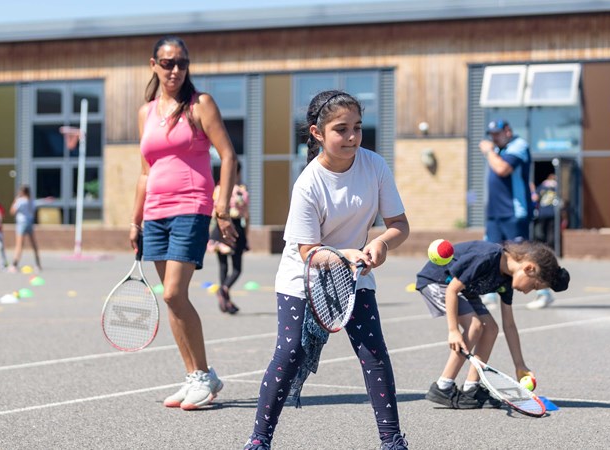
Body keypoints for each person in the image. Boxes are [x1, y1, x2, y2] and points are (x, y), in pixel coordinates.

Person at [243, 90, 410, 450]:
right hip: (303, 276)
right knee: (290, 353)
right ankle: (259, 439)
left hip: (353, 273)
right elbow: (307, 251)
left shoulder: (375, 166)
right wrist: (346, 253)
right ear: (318, 133)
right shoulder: (308, 183)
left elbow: (399, 224)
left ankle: (392, 440)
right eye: (341, 129)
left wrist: (381, 243)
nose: (352, 137)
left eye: (357, 128)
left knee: (373, 351)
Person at [129, 35, 239, 411]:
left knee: (175, 293)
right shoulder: (146, 112)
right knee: (171, 299)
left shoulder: (200, 104)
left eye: (181, 63)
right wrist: (135, 220)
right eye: (167, 63)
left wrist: (221, 209)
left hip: (191, 207)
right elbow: (146, 172)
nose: (174, 70)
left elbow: (227, 156)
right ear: (153, 65)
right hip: (155, 213)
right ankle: (194, 375)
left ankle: (204, 375)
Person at [415, 240, 570, 409]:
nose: (527, 292)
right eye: (533, 286)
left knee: (491, 328)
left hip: (465, 289)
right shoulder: (487, 257)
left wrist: (520, 365)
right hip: (438, 281)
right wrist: (453, 330)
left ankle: (471, 388)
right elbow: (452, 290)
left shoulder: (506, 282)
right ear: (529, 268)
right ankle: (443, 386)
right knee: (475, 325)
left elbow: (509, 325)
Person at [478, 119, 532, 310]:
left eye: (498, 133)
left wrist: (489, 151)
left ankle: (544, 291)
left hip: (513, 212)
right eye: (492, 134)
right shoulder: (498, 150)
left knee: (523, 254)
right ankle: (490, 293)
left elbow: (502, 169)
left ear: (508, 131)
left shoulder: (519, 146)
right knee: (490, 253)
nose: (494, 138)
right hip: (495, 212)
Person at [210, 160, 249, 315]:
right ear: (238, 173)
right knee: (237, 268)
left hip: (220, 227)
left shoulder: (218, 189)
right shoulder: (241, 191)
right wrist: (247, 234)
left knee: (224, 266)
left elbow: (213, 212)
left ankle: (224, 296)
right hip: (236, 226)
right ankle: (224, 293)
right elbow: (247, 215)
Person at [528, 172, 558, 309]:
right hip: (551, 214)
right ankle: (549, 249)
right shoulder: (555, 186)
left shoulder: (543, 186)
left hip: (543, 214)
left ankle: (544, 292)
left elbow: (536, 196)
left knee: (542, 235)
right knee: (548, 234)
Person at [9, 185, 42, 272]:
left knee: (19, 245)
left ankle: (14, 264)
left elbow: (12, 211)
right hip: (29, 222)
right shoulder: (31, 201)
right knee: (33, 244)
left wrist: (15, 200)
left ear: (22, 192)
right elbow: (33, 213)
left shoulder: (20, 201)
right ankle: (38, 264)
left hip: (21, 223)